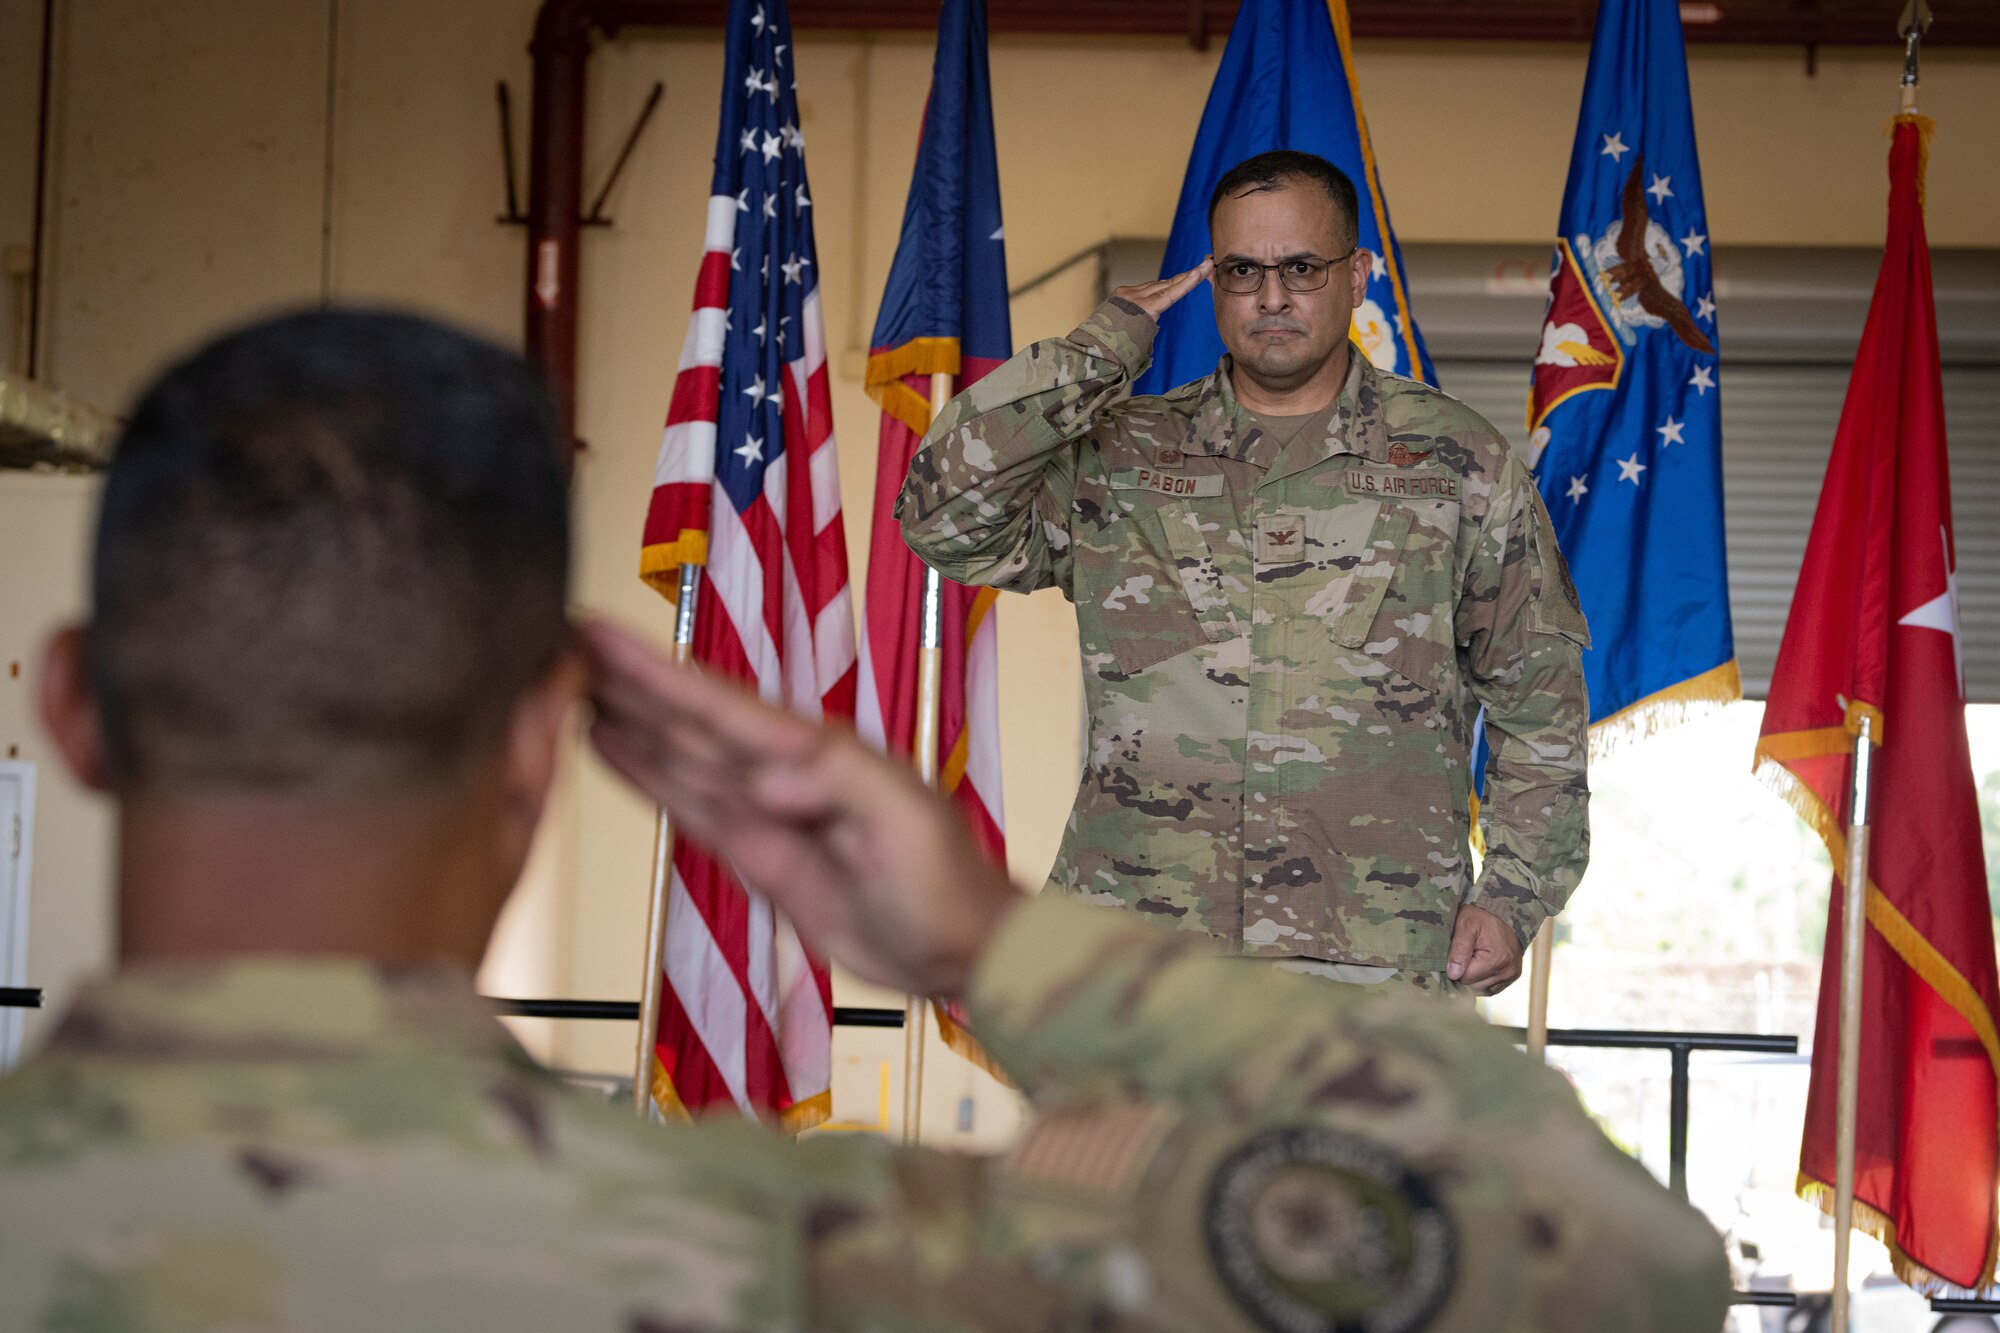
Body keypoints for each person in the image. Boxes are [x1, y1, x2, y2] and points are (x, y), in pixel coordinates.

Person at [0, 308, 1726, 1331]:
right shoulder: (807, 1262)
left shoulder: (1448, 465)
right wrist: (991, 939)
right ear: (550, 738)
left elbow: (1533, 669)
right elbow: (1618, 1265)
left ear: (65, 704)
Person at [899, 150, 1591, 998]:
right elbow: (940, 513)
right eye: (1241, 271)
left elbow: (1538, 698)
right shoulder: (1121, 454)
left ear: (1357, 273)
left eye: (1301, 267)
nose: (1271, 297)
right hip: (1134, 964)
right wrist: (1096, 351)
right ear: (1213, 281)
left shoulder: (1457, 461)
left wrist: (1514, 893)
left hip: (1374, 961)